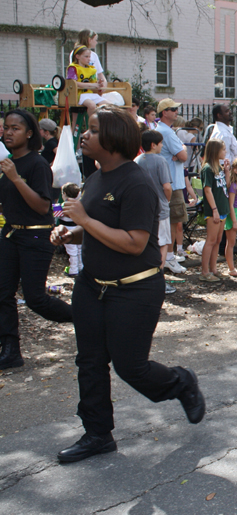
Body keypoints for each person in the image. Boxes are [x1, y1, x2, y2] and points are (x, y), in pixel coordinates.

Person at [50, 106, 204, 463]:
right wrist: (71, 233)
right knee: (89, 361)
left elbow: (135, 243)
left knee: (130, 366)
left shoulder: (137, 183)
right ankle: (97, 434)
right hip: (92, 286)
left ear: (114, 140)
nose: (84, 136)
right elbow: (98, 228)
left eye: (91, 130)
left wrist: (84, 220)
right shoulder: (97, 176)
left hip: (135, 288)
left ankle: (180, 382)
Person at [0, 110, 73, 369]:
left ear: (29, 133)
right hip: (10, 234)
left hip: (35, 234)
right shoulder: (7, 163)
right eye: (6, 127)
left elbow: (43, 206)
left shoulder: (36, 164)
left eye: (15, 128)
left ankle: (84, 317)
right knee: (3, 293)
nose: (8, 132)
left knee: (35, 298)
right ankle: (10, 350)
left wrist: (15, 179)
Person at [134, 130, 177, 294]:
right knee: (163, 244)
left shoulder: (137, 160)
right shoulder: (160, 161)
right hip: (160, 209)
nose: (162, 146)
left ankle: (143, 279)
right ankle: (159, 281)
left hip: (142, 208)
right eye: (160, 143)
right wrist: (167, 200)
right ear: (153, 144)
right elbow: (167, 186)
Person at [155, 99, 189, 274]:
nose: (176, 111)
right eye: (173, 109)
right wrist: (180, 151)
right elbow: (183, 156)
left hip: (169, 181)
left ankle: (169, 255)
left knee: (170, 221)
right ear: (164, 112)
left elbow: (181, 154)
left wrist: (180, 152)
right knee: (173, 220)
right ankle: (168, 257)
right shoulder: (167, 133)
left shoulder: (163, 131)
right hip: (173, 183)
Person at [199, 139, 230, 282]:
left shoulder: (220, 166)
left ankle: (214, 269)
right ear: (215, 151)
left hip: (223, 208)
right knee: (210, 240)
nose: (225, 152)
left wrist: (227, 171)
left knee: (218, 240)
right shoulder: (208, 169)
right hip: (214, 210)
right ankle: (204, 272)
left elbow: (227, 185)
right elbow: (207, 190)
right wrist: (214, 210)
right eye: (223, 149)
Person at [67, 46, 115, 117]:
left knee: (111, 106)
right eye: (86, 57)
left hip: (90, 94)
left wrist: (99, 85)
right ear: (77, 56)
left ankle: (104, 124)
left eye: (89, 57)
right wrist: (92, 85)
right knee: (92, 105)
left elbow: (94, 84)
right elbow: (73, 83)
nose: (89, 59)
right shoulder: (73, 68)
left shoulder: (91, 69)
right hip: (79, 95)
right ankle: (92, 124)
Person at [60, 183, 84, 277]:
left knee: (71, 251)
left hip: (67, 229)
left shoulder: (62, 206)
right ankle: (81, 267)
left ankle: (73, 269)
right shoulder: (80, 205)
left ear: (64, 194)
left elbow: (55, 216)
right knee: (79, 249)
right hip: (78, 228)